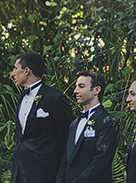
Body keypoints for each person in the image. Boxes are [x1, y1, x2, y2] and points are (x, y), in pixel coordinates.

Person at [10, 52, 73, 183]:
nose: (12, 73)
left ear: (26, 71)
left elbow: (66, 137)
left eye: (16, 68)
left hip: (45, 173)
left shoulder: (55, 98)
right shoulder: (22, 97)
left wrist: (61, 175)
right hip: (20, 171)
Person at [56, 71, 119, 183]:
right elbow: (65, 159)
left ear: (96, 90)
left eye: (81, 86)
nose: (75, 91)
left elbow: (101, 161)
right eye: (76, 87)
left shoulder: (107, 122)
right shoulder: (74, 124)